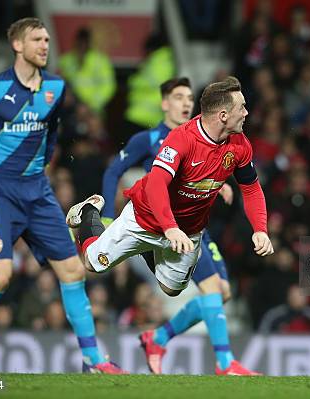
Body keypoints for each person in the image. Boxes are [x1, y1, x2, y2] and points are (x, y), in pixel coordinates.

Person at [0, 17, 125, 374]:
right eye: (37, 39)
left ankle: (93, 360)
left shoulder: (56, 88)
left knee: (73, 271)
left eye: (46, 39)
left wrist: (44, 164)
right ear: (17, 45)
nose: (45, 45)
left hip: (38, 191)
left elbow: (53, 129)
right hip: (0, 190)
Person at [67, 75, 274, 374]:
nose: (247, 112)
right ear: (223, 115)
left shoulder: (240, 145)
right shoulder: (181, 138)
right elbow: (156, 185)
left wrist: (260, 229)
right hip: (146, 218)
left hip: (188, 230)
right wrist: (168, 227)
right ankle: (87, 215)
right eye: (242, 107)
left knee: (172, 289)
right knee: (91, 263)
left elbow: (252, 189)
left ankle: (160, 330)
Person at [58, 27, 116, 114]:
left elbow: (108, 87)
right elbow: (58, 82)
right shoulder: (66, 60)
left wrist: (90, 105)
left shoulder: (100, 60)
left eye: (84, 42)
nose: (82, 45)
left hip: (92, 110)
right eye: (79, 42)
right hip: (69, 108)